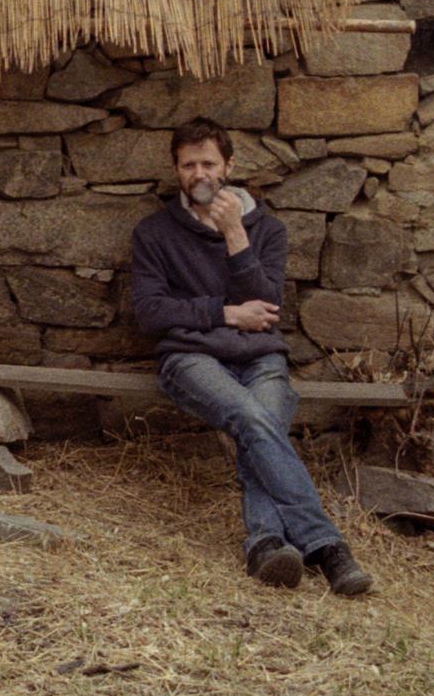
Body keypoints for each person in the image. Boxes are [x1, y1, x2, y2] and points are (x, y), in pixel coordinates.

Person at [129, 117, 373, 595]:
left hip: (261, 357)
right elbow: (151, 313)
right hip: (191, 357)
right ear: (176, 170)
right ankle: (326, 546)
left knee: (260, 424)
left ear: (229, 167)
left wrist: (235, 236)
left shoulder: (268, 229)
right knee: (252, 417)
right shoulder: (154, 232)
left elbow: (269, 305)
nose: (199, 174)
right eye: (188, 165)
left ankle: (265, 543)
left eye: (209, 164)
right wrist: (226, 314)